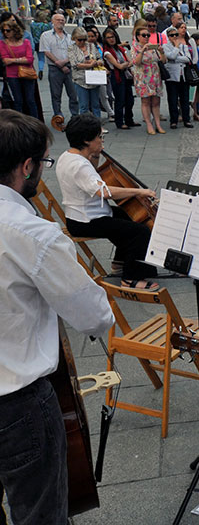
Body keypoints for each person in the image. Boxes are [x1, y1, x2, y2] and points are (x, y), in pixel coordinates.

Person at [0, 109, 114, 525]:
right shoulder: (31, 234)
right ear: (26, 166)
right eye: (42, 164)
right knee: (40, 515)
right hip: (16, 402)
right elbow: (93, 316)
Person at [56, 113, 159, 289]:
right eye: (99, 137)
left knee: (128, 216)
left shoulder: (69, 156)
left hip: (84, 214)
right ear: (86, 140)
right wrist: (138, 191)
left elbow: (93, 176)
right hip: (86, 220)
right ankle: (130, 278)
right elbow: (104, 191)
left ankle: (120, 263)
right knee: (139, 231)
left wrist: (95, 154)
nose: (101, 140)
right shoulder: (79, 165)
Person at [39, 13, 80, 119]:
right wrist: (59, 63)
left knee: (73, 94)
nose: (60, 22)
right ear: (52, 21)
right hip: (54, 68)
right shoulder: (46, 35)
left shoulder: (70, 37)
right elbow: (46, 51)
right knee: (56, 94)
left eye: (62, 20)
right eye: (58, 20)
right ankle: (58, 116)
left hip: (69, 67)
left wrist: (65, 62)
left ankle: (75, 115)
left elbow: (74, 52)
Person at [129, 20, 166, 135]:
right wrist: (142, 50)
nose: (146, 37)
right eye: (144, 35)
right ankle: (149, 124)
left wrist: (162, 52)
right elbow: (136, 62)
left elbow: (163, 61)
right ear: (138, 36)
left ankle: (158, 124)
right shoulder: (135, 47)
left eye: (148, 35)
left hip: (154, 76)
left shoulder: (152, 47)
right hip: (142, 77)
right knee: (145, 101)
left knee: (156, 101)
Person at [0, 17, 39, 118]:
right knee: (18, 101)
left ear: (14, 30)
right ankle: (20, 123)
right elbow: (5, 61)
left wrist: (13, 60)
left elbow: (30, 59)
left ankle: (36, 123)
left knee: (30, 100)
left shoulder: (25, 42)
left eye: (8, 30)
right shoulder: (2, 44)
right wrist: (22, 59)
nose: (5, 33)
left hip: (27, 72)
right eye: (3, 31)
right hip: (12, 75)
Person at [163, 25, 197, 129]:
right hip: (172, 76)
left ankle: (186, 119)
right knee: (172, 99)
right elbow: (170, 56)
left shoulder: (184, 46)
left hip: (183, 75)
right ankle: (173, 120)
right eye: (172, 35)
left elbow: (187, 58)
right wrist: (176, 48)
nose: (174, 37)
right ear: (168, 36)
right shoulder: (165, 46)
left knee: (185, 99)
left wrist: (176, 58)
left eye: (176, 34)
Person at [101, 28, 135, 129]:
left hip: (126, 75)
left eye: (112, 37)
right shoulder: (107, 52)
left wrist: (126, 65)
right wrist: (125, 64)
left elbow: (128, 61)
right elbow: (118, 66)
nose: (111, 39)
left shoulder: (119, 49)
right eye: (108, 38)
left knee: (130, 99)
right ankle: (119, 122)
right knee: (120, 100)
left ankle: (129, 119)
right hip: (117, 76)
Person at [68, 27, 103, 118]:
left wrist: (97, 62)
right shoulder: (71, 48)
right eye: (79, 40)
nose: (82, 42)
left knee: (95, 104)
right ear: (74, 38)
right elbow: (75, 64)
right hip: (80, 80)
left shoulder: (91, 46)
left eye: (84, 39)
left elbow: (100, 58)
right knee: (83, 106)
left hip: (94, 78)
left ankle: (97, 126)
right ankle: (85, 127)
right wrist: (89, 65)